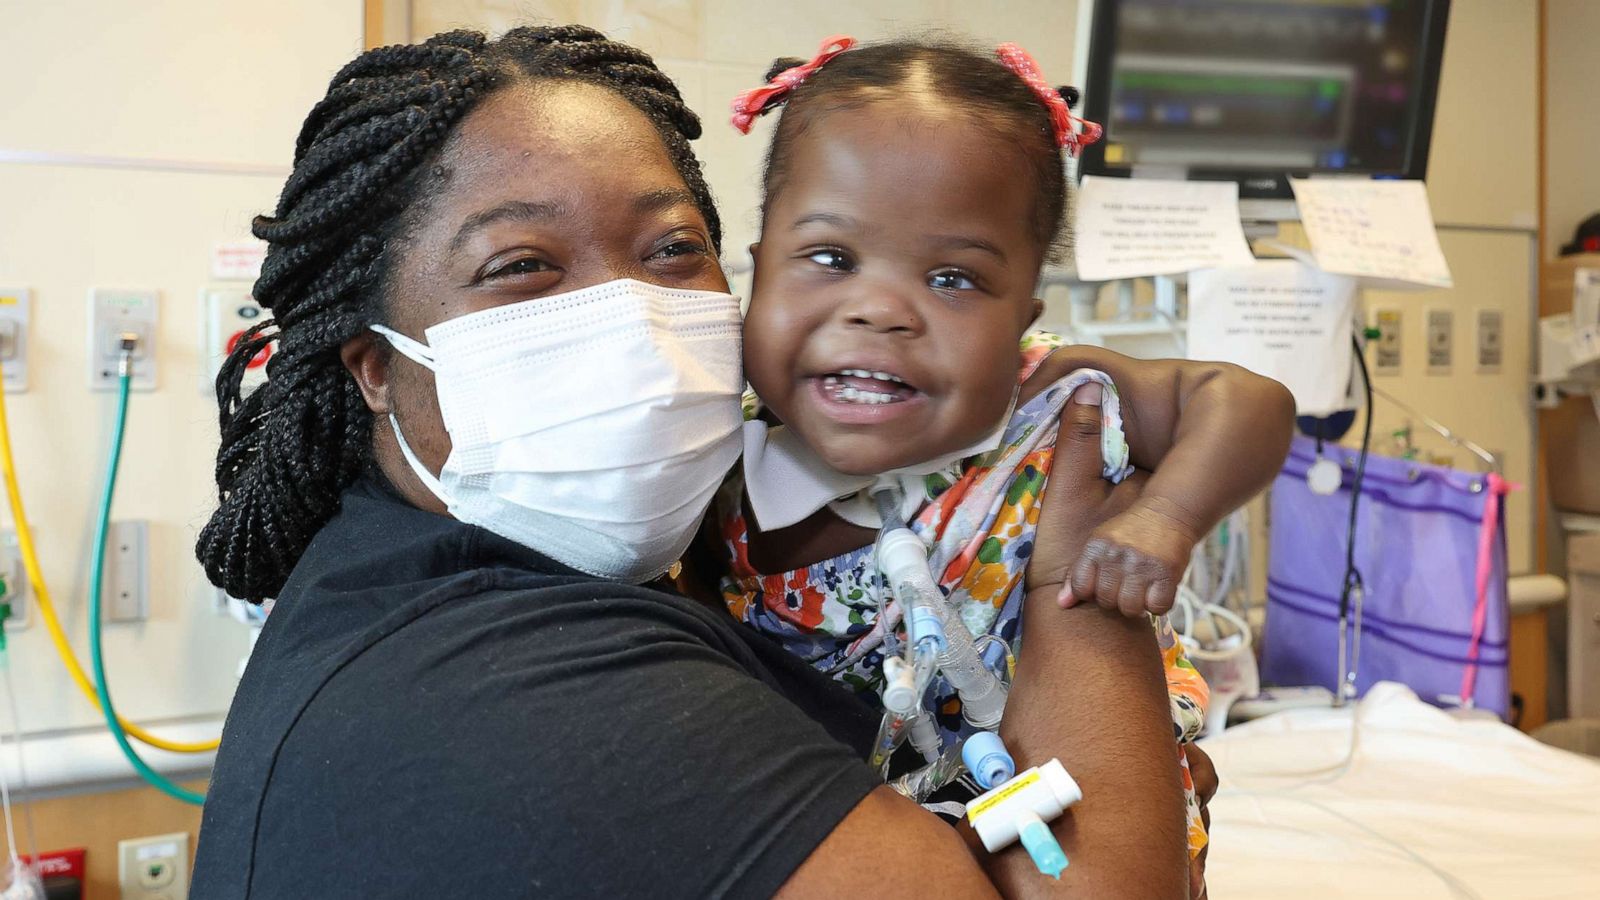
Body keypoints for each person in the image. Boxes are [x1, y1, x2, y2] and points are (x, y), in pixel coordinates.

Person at [192, 26, 1207, 898]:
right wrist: (1083, 579)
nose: (634, 318)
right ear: (376, 368)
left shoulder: (447, 572)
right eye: (522, 268)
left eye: (673, 251)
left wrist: (1101, 771)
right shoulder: (531, 685)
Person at [718, 35, 1294, 865]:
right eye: (829, 257)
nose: (881, 309)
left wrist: (1165, 517)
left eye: (953, 278)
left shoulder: (1050, 400)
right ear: (757, 267)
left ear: (1023, 315)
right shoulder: (714, 451)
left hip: (1071, 822)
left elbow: (1245, 401)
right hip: (858, 839)